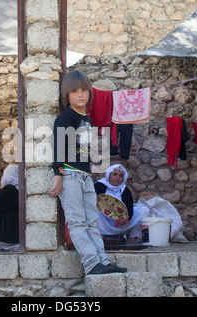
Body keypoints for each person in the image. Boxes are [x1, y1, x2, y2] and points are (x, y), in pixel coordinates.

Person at [50, 70, 126, 275]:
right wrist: (58, 174)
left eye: (84, 90)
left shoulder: (88, 120)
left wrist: (91, 175)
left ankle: (103, 261)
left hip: (85, 176)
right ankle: (92, 264)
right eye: (75, 92)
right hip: (70, 176)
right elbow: (58, 147)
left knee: (92, 220)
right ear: (67, 95)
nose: (80, 95)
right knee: (77, 221)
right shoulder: (66, 118)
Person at [94, 164, 150, 245]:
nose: (117, 178)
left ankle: (132, 238)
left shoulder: (125, 190)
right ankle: (97, 238)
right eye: (115, 174)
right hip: (102, 221)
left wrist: (126, 219)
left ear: (123, 178)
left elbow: (129, 209)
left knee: (144, 210)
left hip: (119, 222)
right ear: (109, 175)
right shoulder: (99, 185)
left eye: (120, 176)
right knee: (92, 210)